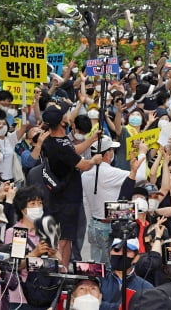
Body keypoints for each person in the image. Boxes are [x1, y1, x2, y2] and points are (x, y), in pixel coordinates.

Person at [41, 103, 103, 269]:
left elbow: (73, 150)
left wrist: (91, 139)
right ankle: (61, 271)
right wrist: (94, 160)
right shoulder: (59, 146)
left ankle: (61, 269)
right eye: (64, 115)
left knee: (64, 238)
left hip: (61, 197)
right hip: (66, 199)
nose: (68, 116)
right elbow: (83, 165)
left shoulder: (53, 140)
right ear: (62, 122)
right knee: (63, 240)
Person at [81, 136, 147, 265]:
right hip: (108, 226)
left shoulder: (85, 174)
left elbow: (86, 202)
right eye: (112, 150)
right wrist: (142, 153)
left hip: (94, 224)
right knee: (109, 267)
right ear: (107, 154)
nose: (113, 153)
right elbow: (140, 176)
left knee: (96, 266)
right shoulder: (109, 172)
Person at [99, 238, 154, 310]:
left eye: (126, 251)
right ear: (110, 253)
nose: (121, 254)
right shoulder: (98, 279)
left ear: (136, 258)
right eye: (116, 250)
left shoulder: (146, 287)